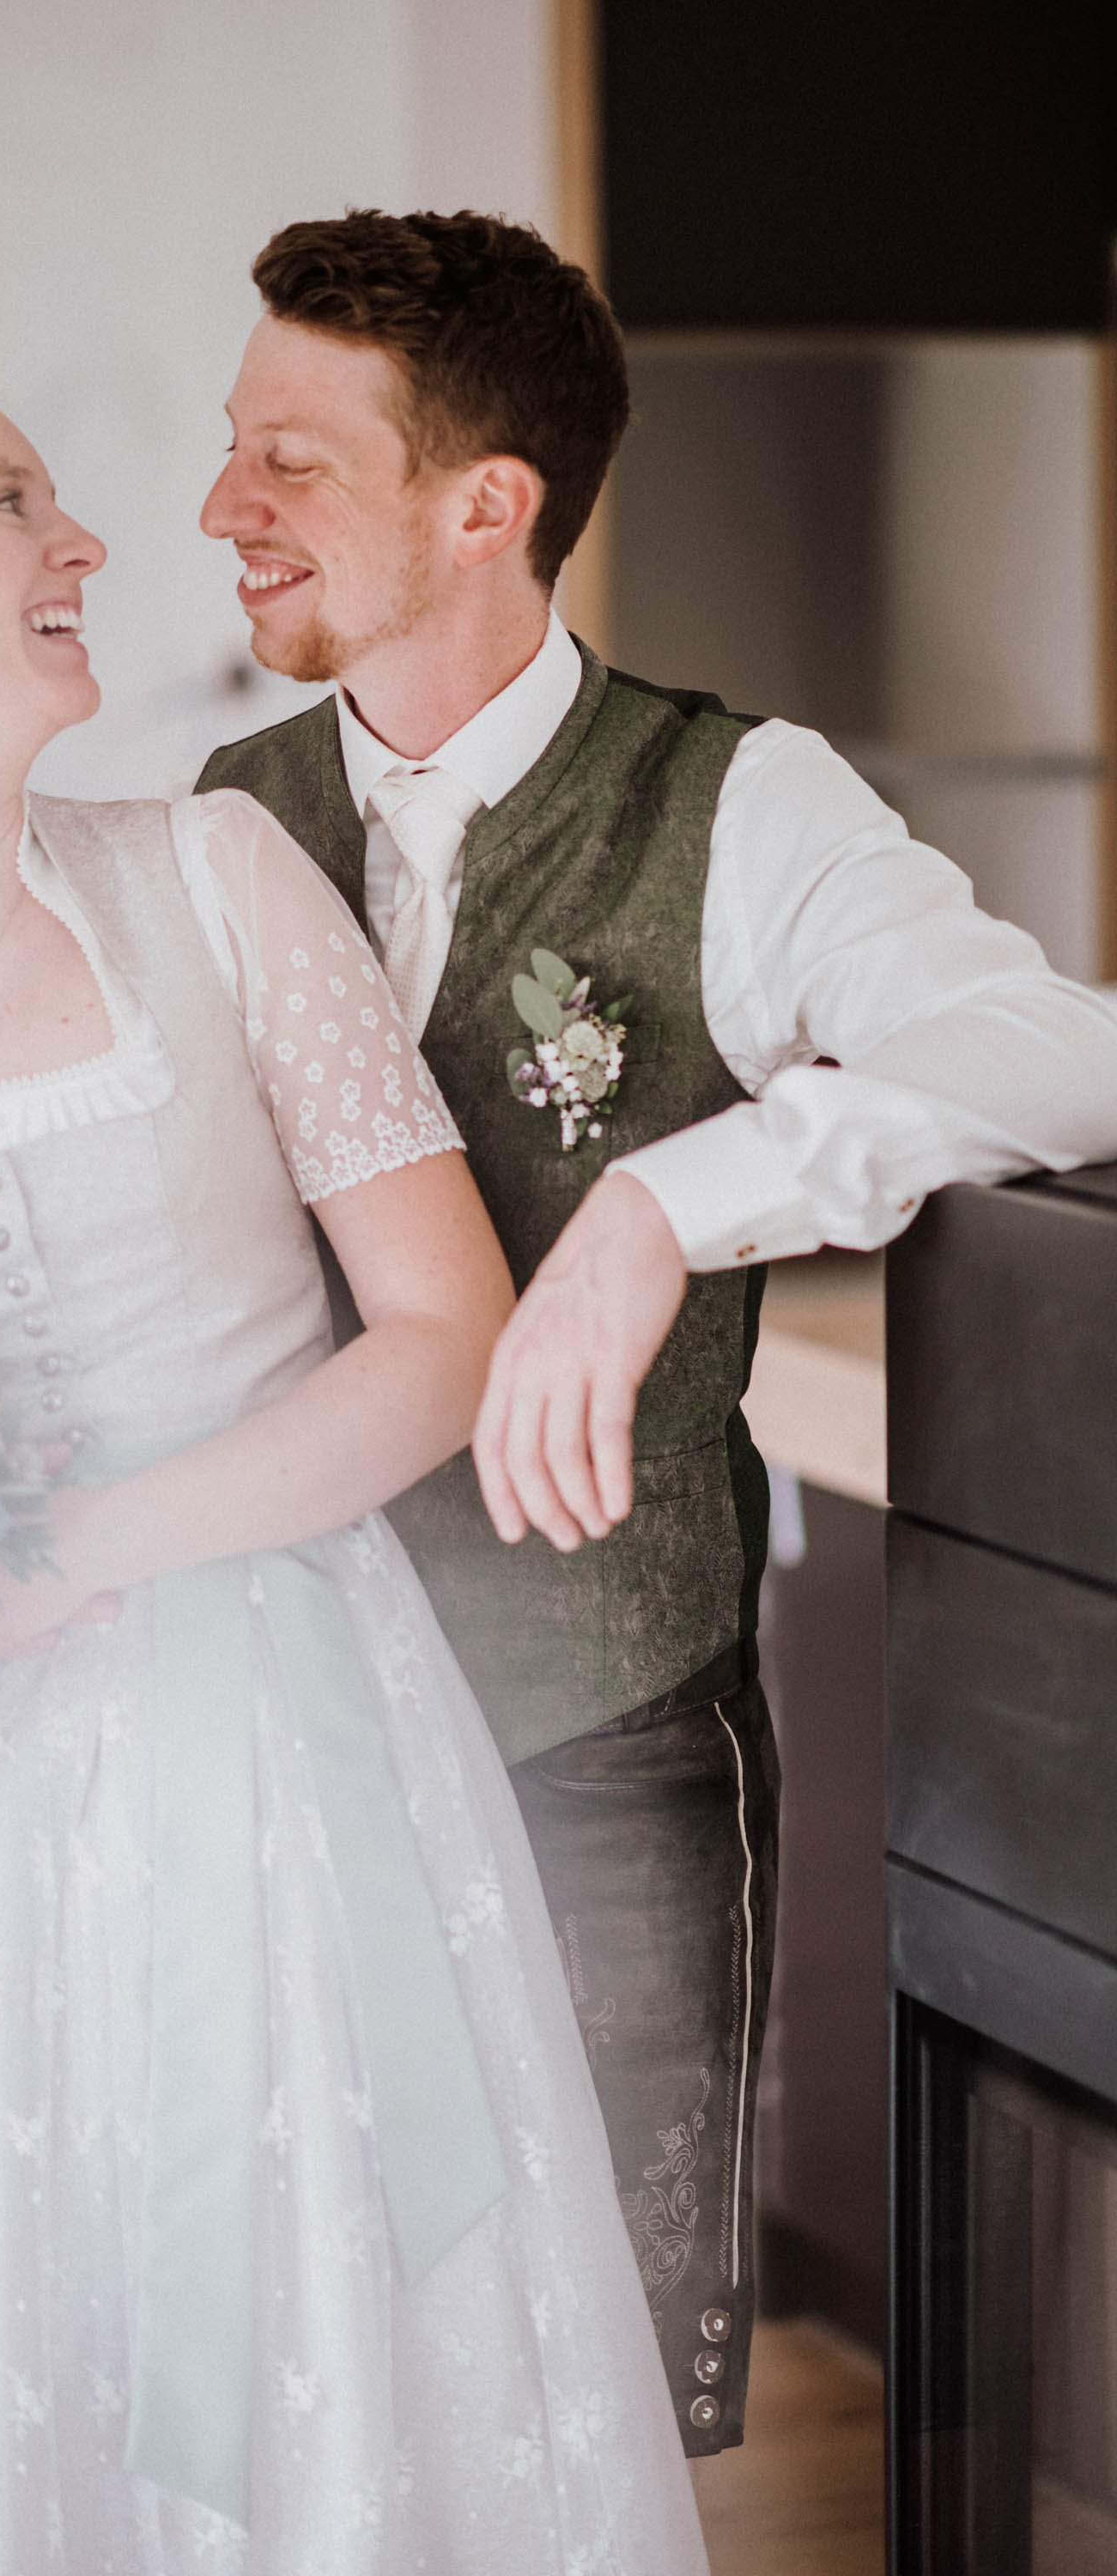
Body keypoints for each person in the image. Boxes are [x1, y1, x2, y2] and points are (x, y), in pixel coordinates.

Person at [0, 369, 708, 2573]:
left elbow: (443, 1340)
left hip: (292, 1771)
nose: (87, 542)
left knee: (340, 2333)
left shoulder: (213, 877)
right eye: (11, 503)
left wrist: (73, 1556)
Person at [197, 208, 1117, 2456]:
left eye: (292, 459)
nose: (222, 509)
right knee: (291, 2392)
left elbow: (1062, 1056)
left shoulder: (740, 803)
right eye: (236, 450)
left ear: (485, 504)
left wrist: (667, 1204)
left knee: (599, 2396)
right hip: (274, 1744)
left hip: (596, 1738)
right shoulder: (225, 825)